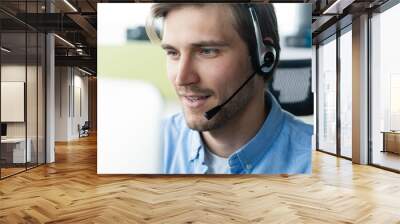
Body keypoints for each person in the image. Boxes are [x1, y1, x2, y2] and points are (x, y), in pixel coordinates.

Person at [146, 3, 313, 174]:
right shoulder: (146, 144)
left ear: (264, 58)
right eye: (173, 53)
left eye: (207, 51)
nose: (181, 79)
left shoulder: (316, 162)